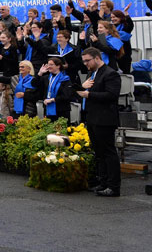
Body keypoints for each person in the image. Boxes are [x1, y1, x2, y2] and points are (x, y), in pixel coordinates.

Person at [77, 47, 122, 197]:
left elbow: (111, 95)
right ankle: (102, 182)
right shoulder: (92, 73)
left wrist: (89, 95)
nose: (85, 64)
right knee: (99, 153)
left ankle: (113, 186)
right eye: (83, 61)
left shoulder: (111, 74)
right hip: (92, 117)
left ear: (97, 58)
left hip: (105, 119)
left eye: (88, 61)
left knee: (109, 152)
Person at [39, 56, 74, 122]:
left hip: (61, 110)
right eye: (48, 64)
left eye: (51, 64)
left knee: (60, 131)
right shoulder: (46, 78)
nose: (49, 66)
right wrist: (40, 73)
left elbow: (67, 95)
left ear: (58, 66)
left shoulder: (65, 79)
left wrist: (52, 100)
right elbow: (34, 85)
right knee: (48, 130)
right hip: (48, 109)